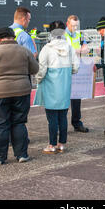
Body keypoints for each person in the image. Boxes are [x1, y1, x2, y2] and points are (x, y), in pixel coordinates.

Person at [0, 27, 39, 165]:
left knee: (0, 125)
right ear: (13, 37)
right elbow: (35, 69)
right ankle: (22, 154)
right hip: (21, 92)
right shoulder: (24, 51)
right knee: (19, 122)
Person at [34, 20, 80, 154]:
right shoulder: (70, 47)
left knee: (52, 118)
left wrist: (38, 79)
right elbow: (75, 67)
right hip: (65, 87)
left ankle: (52, 144)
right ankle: (62, 144)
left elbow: (41, 70)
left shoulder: (47, 49)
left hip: (50, 88)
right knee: (63, 117)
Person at [65, 15, 90, 133]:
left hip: (76, 69)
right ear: (67, 24)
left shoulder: (79, 35)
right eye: (73, 25)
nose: (75, 28)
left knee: (76, 97)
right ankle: (62, 124)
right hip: (64, 69)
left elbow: (87, 48)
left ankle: (76, 122)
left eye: (77, 25)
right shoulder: (62, 35)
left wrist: (80, 50)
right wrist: (79, 50)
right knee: (63, 97)